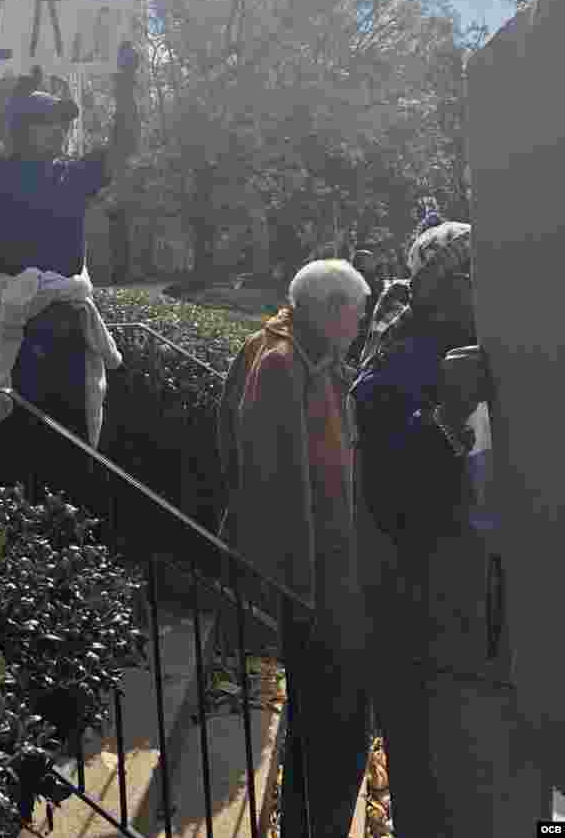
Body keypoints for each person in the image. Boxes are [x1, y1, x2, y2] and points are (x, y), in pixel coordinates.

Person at [351, 218, 528, 836]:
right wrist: (449, 411)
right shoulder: (396, 361)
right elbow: (389, 494)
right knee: (438, 791)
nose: (482, 289)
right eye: (468, 276)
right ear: (438, 286)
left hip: (497, 617)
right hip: (426, 623)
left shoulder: (502, 343)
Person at [226, 258, 371, 838]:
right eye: (356, 313)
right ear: (329, 312)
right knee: (333, 719)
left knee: (331, 721)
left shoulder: (315, 360)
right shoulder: (281, 365)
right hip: (312, 583)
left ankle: (311, 825)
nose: (361, 324)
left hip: (335, 576)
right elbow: (277, 483)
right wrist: (302, 588)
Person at [0, 44, 140, 485]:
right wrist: (12, 91)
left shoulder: (70, 175)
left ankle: (71, 536)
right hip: (15, 333)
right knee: (12, 449)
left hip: (65, 331)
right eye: (49, 123)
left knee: (72, 446)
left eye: (64, 124)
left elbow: (123, 144)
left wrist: (125, 85)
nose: (61, 131)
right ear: (21, 130)